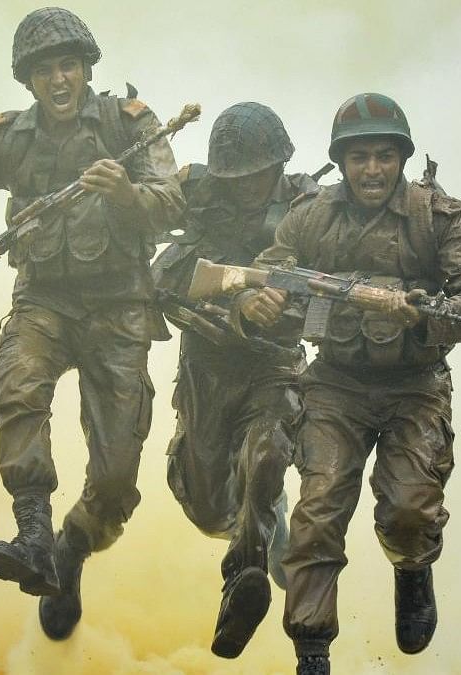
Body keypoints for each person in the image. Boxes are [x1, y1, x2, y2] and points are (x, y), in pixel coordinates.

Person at [0, 7, 183, 641]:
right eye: (44, 71)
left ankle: (71, 548)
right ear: (27, 81)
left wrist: (126, 193)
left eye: (68, 66)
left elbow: (171, 201)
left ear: (87, 69)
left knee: (115, 480)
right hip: (45, 303)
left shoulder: (128, 124)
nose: (58, 80)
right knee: (17, 385)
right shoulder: (9, 139)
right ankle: (31, 528)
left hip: (120, 308)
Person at [241, 92, 461, 674]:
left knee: (409, 510)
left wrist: (423, 313)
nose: (373, 170)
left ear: (403, 159)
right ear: (341, 161)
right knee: (317, 511)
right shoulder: (311, 216)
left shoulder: (439, 218)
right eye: (359, 158)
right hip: (334, 385)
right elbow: (267, 272)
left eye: (385, 156)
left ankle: (412, 570)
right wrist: (256, 303)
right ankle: (312, 650)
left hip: (416, 386)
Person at [151, 102, 317, 659]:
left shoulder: (307, 207)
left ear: (279, 167)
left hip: (274, 365)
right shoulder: (200, 196)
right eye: (236, 179)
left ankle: (243, 576)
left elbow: (346, 272)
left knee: (268, 454)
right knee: (206, 507)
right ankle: (267, 534)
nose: (246, 190)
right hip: (208, 365)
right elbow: (164, 274)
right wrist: (239, 299)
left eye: (256, 177)